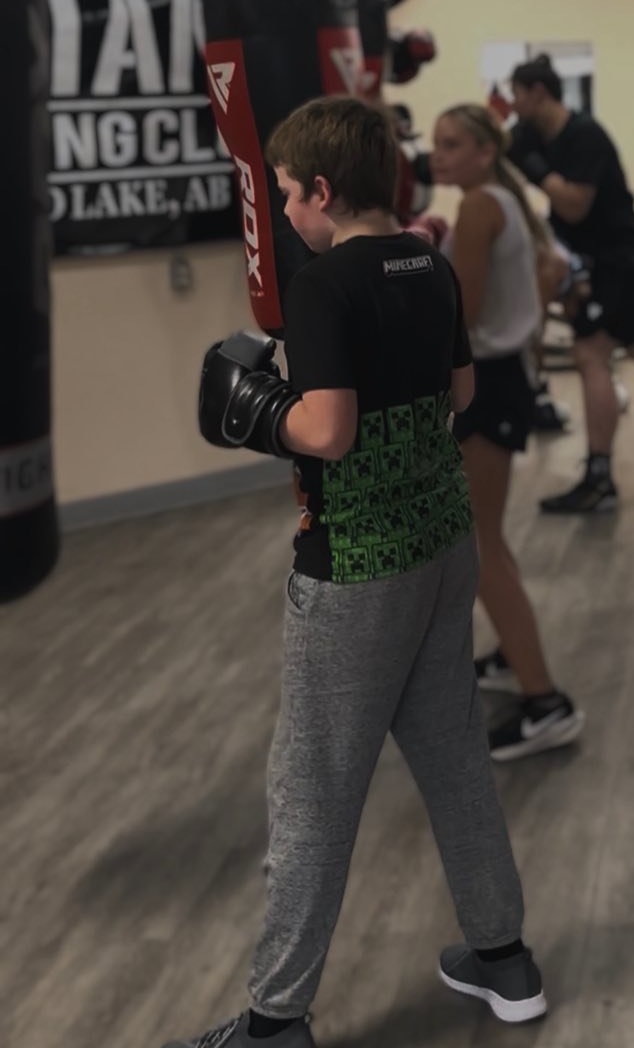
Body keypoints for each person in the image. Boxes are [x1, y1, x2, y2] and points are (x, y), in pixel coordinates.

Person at [164, 96, 545, 1048]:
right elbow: (459, 390)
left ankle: (274, 1020)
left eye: (289, 195)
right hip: (443, 549)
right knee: (455, 754)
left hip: (358, 570)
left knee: (312, 790)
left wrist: (259, 411)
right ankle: (504, 958)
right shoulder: (428, 259)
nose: (286, 212)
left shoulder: (327, 284)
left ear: (322, 192)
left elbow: (326, 432)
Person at [431, 101, 584, 760]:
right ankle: (511, 658)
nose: (439, 155)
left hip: (488, 381)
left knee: (480, 548)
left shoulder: (479, 207)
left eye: (453, 144)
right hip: (500, 379)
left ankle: (545, 700)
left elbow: (457, 310)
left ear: (486, 150)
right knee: (485, 539)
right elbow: (543, 276)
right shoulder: (502, 201)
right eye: (436, 144)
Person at [506, 53, 634, 515]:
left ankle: (599, 478)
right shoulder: (529, 135)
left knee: (591, 353)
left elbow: (574, 205)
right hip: (596, 255)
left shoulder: (584, 135)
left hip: (620, 254)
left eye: (517, 94)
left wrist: (535, 170)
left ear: (537, 92)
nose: (513, 105)